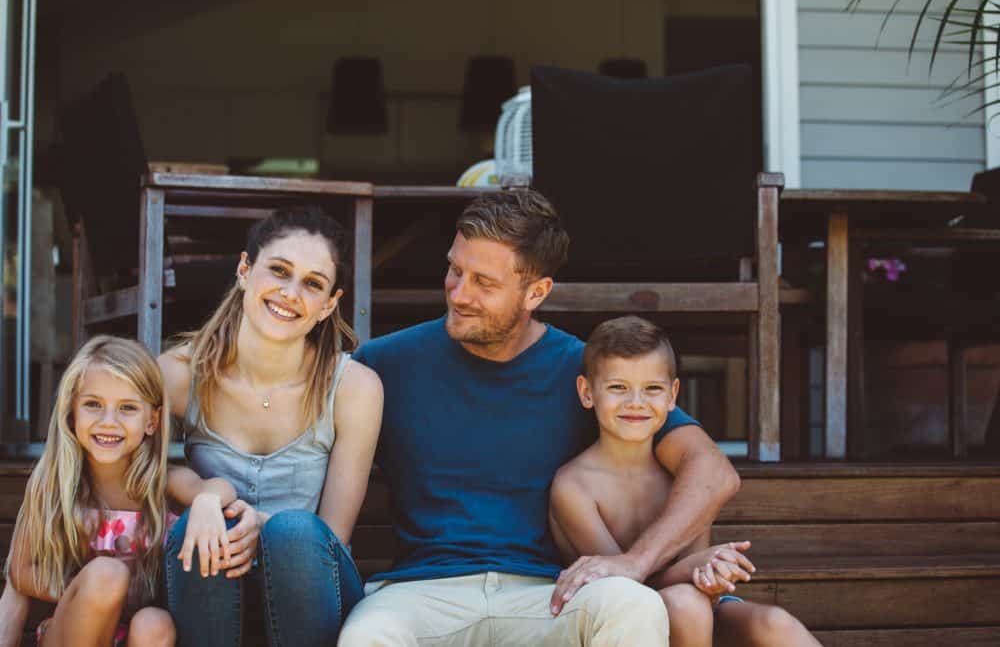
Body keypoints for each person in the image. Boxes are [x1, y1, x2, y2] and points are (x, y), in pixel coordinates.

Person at [338, 188, 741, 645]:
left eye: (483, 283)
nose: (459, 293)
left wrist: (636, 562)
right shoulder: (386, 363)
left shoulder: (586, 372)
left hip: (548, 595)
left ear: (536, 291)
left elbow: (712, 471)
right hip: (422, 593)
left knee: (634, 604)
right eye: (454, 269)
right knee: (366, 636)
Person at [159, 207, 383, 646]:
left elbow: (334, 533)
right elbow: (138, 472)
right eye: (278, 270)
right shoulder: (178, 373)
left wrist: (262, 523)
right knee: (199, 526)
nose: (290, 292)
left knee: (294, 531)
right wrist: (203, 495)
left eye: (313, 283)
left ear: (329, 305)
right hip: (213, 590)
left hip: (312, 591)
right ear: (244, 270)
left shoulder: (354, 386)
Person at [550, 316, 820, 647]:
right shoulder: (574, 486)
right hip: (624, 619)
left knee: (775, 623)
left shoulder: (683, 481)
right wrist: (698, 565)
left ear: (672, 395)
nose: (636, 402)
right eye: (618, 387)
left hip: (695, 607)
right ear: (587, 392)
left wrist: (712, 573)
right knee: (684, 604)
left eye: (652, 388)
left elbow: (696, 583)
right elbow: (623, 586)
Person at [5, 336, 180, 646]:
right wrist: (94, 592)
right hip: (70, 629)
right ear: (72, 412)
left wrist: (211, 502)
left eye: (127, 407)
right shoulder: (54, 481)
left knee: (155, 622)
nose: (108, 422)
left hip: (132, 633)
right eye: (93, 404)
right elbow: (20, 572)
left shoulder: (160, 485)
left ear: (152, 420)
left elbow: (213, 490)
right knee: (106, 575)